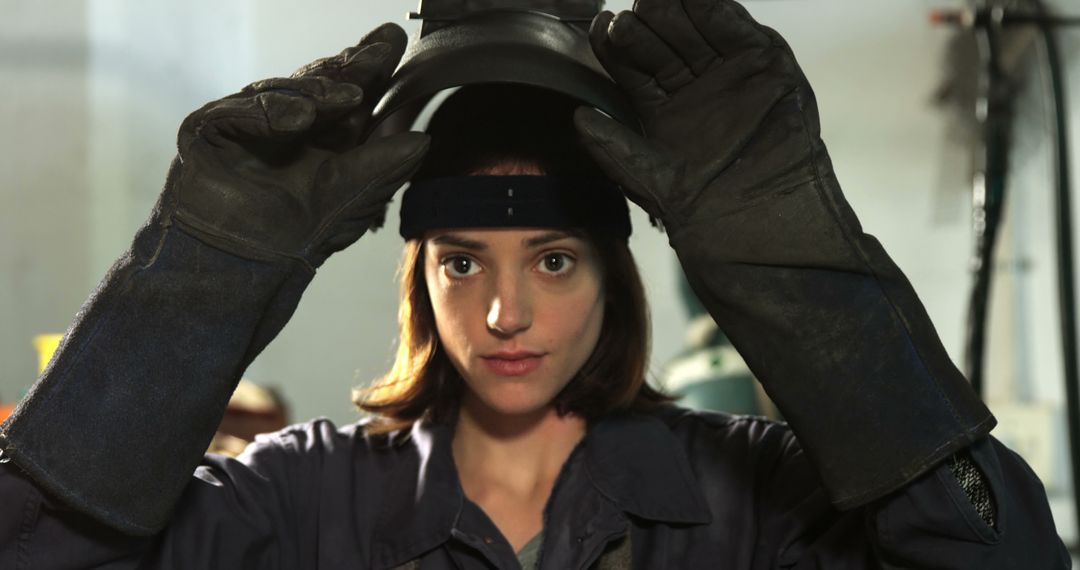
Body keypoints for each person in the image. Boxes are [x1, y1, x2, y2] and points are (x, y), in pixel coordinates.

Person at [0, 0, 1070, 568]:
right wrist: (201, 282)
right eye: (462, 262)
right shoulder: (302, 502)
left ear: (616, 273)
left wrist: (793, 271)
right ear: (420, 276)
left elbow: (1003, 559)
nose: (504, 314)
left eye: (553, 260)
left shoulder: (755, 505)